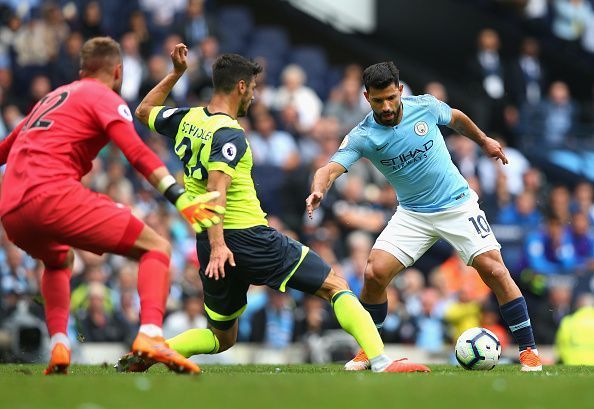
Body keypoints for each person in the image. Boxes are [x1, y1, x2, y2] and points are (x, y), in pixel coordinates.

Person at [116, 44, 429, 374]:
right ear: (240, 87)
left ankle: (152, 352)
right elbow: (215, 191)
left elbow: (144, 110)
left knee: (221, 337)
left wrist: (176, 73)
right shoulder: (229, 134)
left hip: (208, 241)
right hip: (245, 237)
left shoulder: (186, 118)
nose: (254, 96)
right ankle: (380, 361)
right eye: (252, 88)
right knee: (335, 285)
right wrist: (223, 245)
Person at [0, 37, 224, 375]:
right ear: (117, 72)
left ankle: (61, 343)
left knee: (59, 259)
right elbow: (135, 152)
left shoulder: (51, 99)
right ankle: (150, 334)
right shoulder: (103, 96)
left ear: (81, 70)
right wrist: (179, 196)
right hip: (52, 195)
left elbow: (4, 149)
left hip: (12, 209)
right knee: (156, 248)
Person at [306, 61, 542, 372]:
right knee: (375, 273)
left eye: (391, 97)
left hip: (457, 204)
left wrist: (484, 141)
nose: (387, 106)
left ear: (400, 90)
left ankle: (529, 351)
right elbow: (330, 167)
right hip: (412, 214)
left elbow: (456, 118)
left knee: (495, 271)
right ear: (367, 98)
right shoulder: (363, 135)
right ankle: (369, 349)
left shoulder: (426, 107)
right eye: (379, 101)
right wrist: (319, 188)